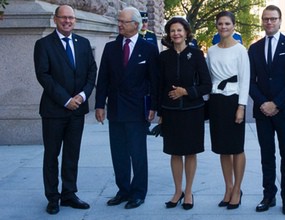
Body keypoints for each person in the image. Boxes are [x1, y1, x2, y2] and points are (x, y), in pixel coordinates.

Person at [33, 4, 96, 215]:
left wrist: (83, 95)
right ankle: (53, 197)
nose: (67, 21)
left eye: (71, 18)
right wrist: (66, 99)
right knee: (52, 155)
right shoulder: (43, 45)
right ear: (55, 19)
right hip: (54, 111)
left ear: (75, 20)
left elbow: (91, 72)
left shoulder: (84, 43)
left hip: (77, 111)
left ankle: (69, 194)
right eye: (63, 18)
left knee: (72, 155)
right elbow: (44, 76)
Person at [95, 7, 159, 209]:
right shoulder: (110, 47)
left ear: (136, 25)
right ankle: (123, 190)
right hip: (115, 108)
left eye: (123, 21)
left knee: (137, 153)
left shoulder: (148, 48)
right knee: (119, 153)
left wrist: (154, 106)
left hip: (137, 109)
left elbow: (154, 80)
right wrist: (99, 105)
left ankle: (138, 192)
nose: (119, 24)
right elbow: (103, 78)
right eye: (119, 21)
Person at [248, 5, 285, 216]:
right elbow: (251, 82)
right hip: (262, 112)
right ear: (262, 21)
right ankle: (268, 195)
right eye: (266, 19)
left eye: (273, 19)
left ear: (280, 21)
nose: (269, 22)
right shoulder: (254, 48)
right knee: (266, 155)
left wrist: (276, 104)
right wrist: (263, 103)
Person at [157, 17, 212, 210]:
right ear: (169, 34)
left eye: (179, 30)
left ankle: (188, 192)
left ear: (186, 32)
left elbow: (207, 85)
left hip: (192, 111)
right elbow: (159, 86)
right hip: (170, 112)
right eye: (172, 31)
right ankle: (177, 190)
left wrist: (186, 91)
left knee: (190, 151)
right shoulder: (163, 57)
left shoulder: (197, 55)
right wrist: (159, 111)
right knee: (174, 152)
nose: (176, 34)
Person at [206, 11, 250, 210]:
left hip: (233, 101)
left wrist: (241, 107)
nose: (223, 27)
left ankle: (238, 188)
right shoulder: (212, 50)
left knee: (236, 147)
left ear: (233, 26)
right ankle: (228, 187)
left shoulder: (240, 50)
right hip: (216, 101)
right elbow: (208, 79)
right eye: (220, 23)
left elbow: (245, 80)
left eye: (227, 23)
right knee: (223, 148)